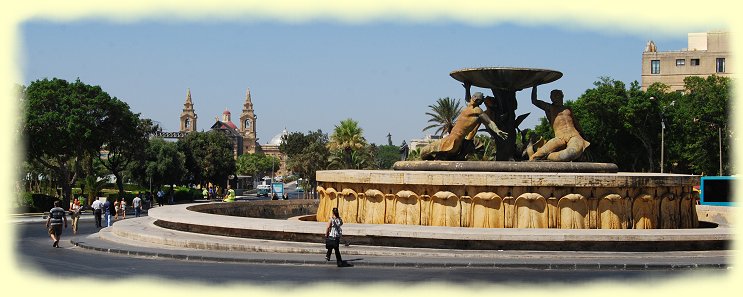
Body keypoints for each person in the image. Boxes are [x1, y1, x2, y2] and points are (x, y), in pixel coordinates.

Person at [421, 84, 508, 160]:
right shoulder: (470, 106)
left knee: (426, 152)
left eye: (475, 98)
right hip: (451, 139)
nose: (472, 99)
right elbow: (467, 98)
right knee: (426, 154)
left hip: (453, 140)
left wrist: (497, 130)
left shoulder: (478, 111)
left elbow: (489, 122)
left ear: (476, 99)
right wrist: (467, 88)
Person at [529, 85, 590, 161]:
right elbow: (534, 101)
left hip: (575, 136)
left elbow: (576, 123)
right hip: (559, 137)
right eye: (552, 96)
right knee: (534, 157)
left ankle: (548, 156)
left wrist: (583, 134)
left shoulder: (568, 109)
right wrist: (535, 86)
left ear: (562, 96)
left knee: (571, 153)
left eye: (556, 95)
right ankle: (545, 156)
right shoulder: (549, 107)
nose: (553, 97)